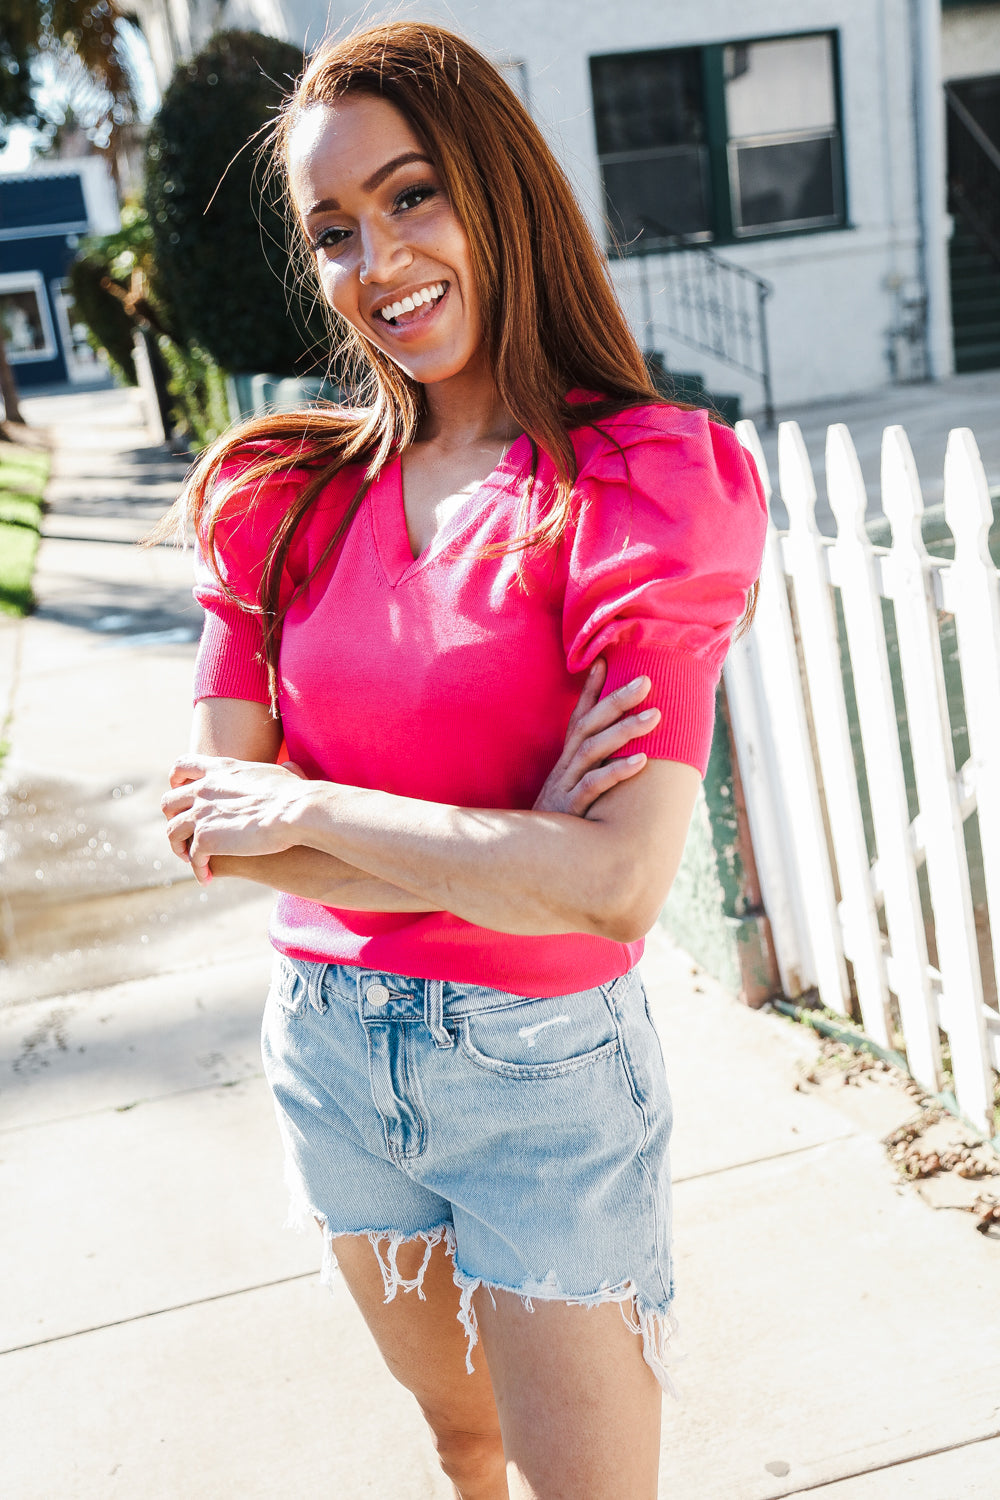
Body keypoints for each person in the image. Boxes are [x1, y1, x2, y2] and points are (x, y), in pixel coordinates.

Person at [157, 21, 767, 1500]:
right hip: (329, 1055)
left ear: (497, 187)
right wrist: (507, 841)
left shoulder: (638, 484)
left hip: (544, 1077)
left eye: (411, 194)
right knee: (462, 1443)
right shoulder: (281, 499)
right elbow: (213, 827)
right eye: (333, 231)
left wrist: (313, 806)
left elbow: (616, 885)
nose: (378, 260)